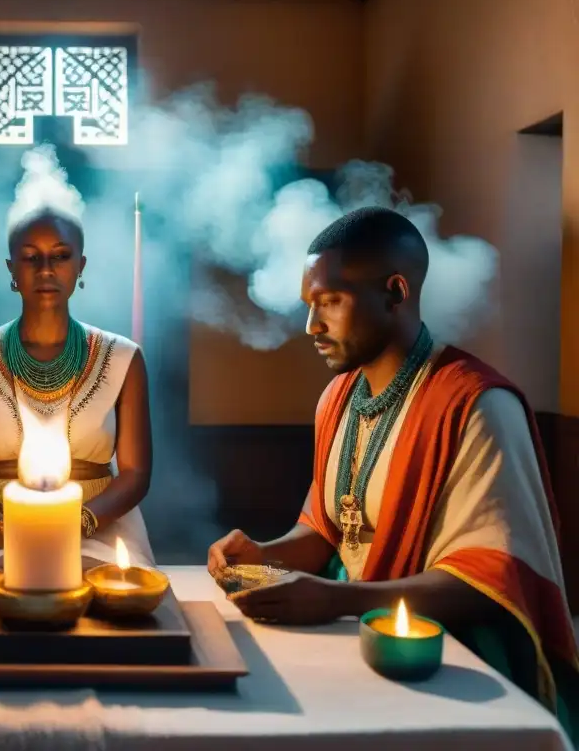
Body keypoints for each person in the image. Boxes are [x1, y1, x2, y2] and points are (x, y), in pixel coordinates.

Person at [207, 206, 578, 730]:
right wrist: (264, 555)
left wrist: (339, 599)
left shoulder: (476, 404)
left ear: (396, 293)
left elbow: (494, 580)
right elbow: (327, 530)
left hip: (450, 654)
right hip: (351, 623)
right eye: (310, 305)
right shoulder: (338, 396)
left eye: (331, 301)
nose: (313, 325)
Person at [0, 151, 154, 570]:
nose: (46, 268)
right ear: (12, 268)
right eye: (31, 257)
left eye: (61, 255)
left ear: (80, 266)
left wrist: (79, 523)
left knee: (114, 604)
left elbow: (136, 473)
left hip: (99, 524)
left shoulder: (123, 359)